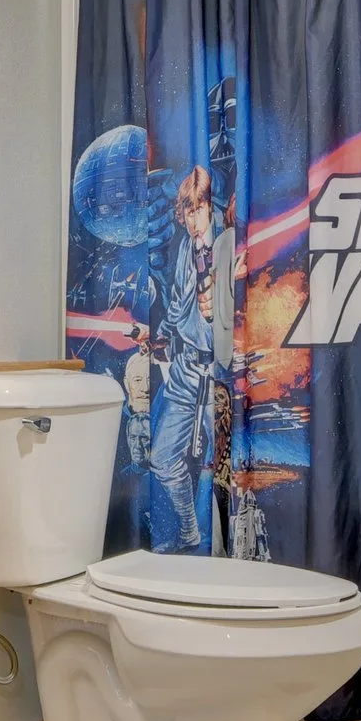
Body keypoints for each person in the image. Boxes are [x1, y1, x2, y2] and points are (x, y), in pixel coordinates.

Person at [138, 166, 217, 551]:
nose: (193, 219)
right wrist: (160, 336)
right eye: (187, 211)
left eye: (199, 209)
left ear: (210, 208)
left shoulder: (230, 244)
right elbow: (177, 302)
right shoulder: (187, 247)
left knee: (225, 468)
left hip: (220, 374)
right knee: (163, 458)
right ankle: (190, 529)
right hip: (187, 370)